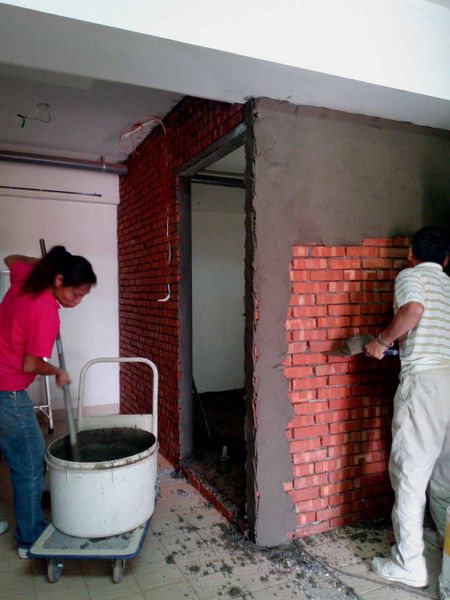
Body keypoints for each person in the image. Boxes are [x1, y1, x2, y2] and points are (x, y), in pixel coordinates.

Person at [365, 226, 450, 588]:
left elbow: (413, 309)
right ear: (446, 260)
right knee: (445, 476)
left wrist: (383, 341)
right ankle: (445, 543)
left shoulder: (410, 276)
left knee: (409, 475)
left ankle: (409, 564)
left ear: (411, 254)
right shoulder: (448, 285)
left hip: (425, 385)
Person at [0, 246, 96, 558]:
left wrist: (44, 262)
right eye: (75, 294)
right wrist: (57, 371)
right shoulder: (45, 312)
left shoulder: (27, 278)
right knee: (30, 462)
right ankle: (30, 539)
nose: (77, 302)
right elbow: (30, 364)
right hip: (6, 389)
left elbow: (11, 260)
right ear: (58, 280)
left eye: (83, 297)